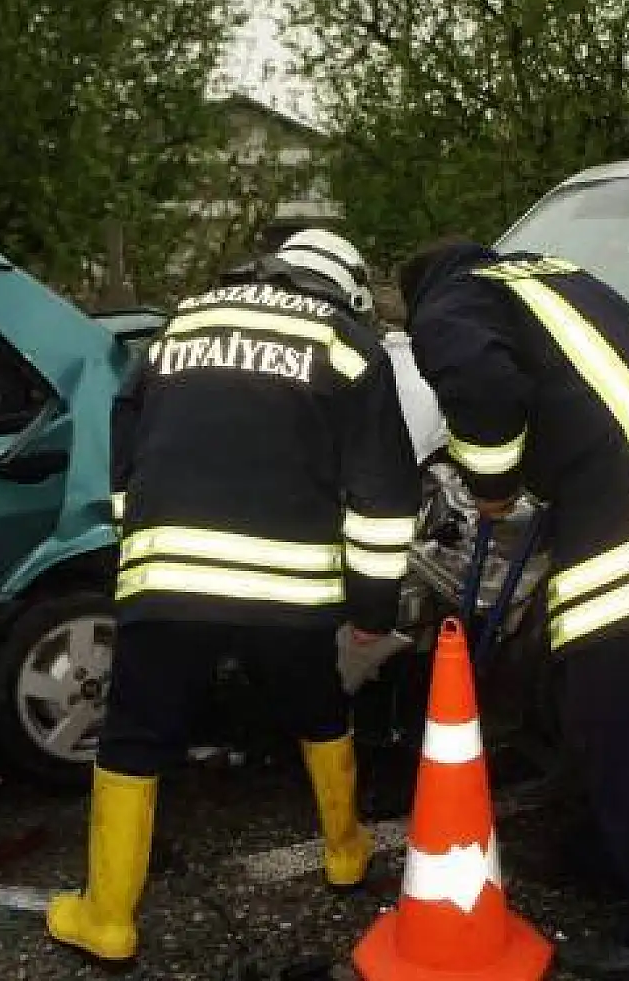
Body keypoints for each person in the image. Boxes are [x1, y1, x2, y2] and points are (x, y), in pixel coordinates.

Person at [398, 240, 629, 979]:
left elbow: (483, 384)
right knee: (608, 713)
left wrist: (494, 481)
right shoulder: (550, 280)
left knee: (621, 728)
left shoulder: (447, 304)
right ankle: (606, 852)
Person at [45, 229, 422, 970]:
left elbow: (126, 448)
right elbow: (381, 496)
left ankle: (109, 917)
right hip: (290, 590)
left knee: (134, 733)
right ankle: (346, 851)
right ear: (342, 286)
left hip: (170, 578)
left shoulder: (181, 322)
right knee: (318, 706)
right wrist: (373, 610)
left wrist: (141, 546)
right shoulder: (347, 343)